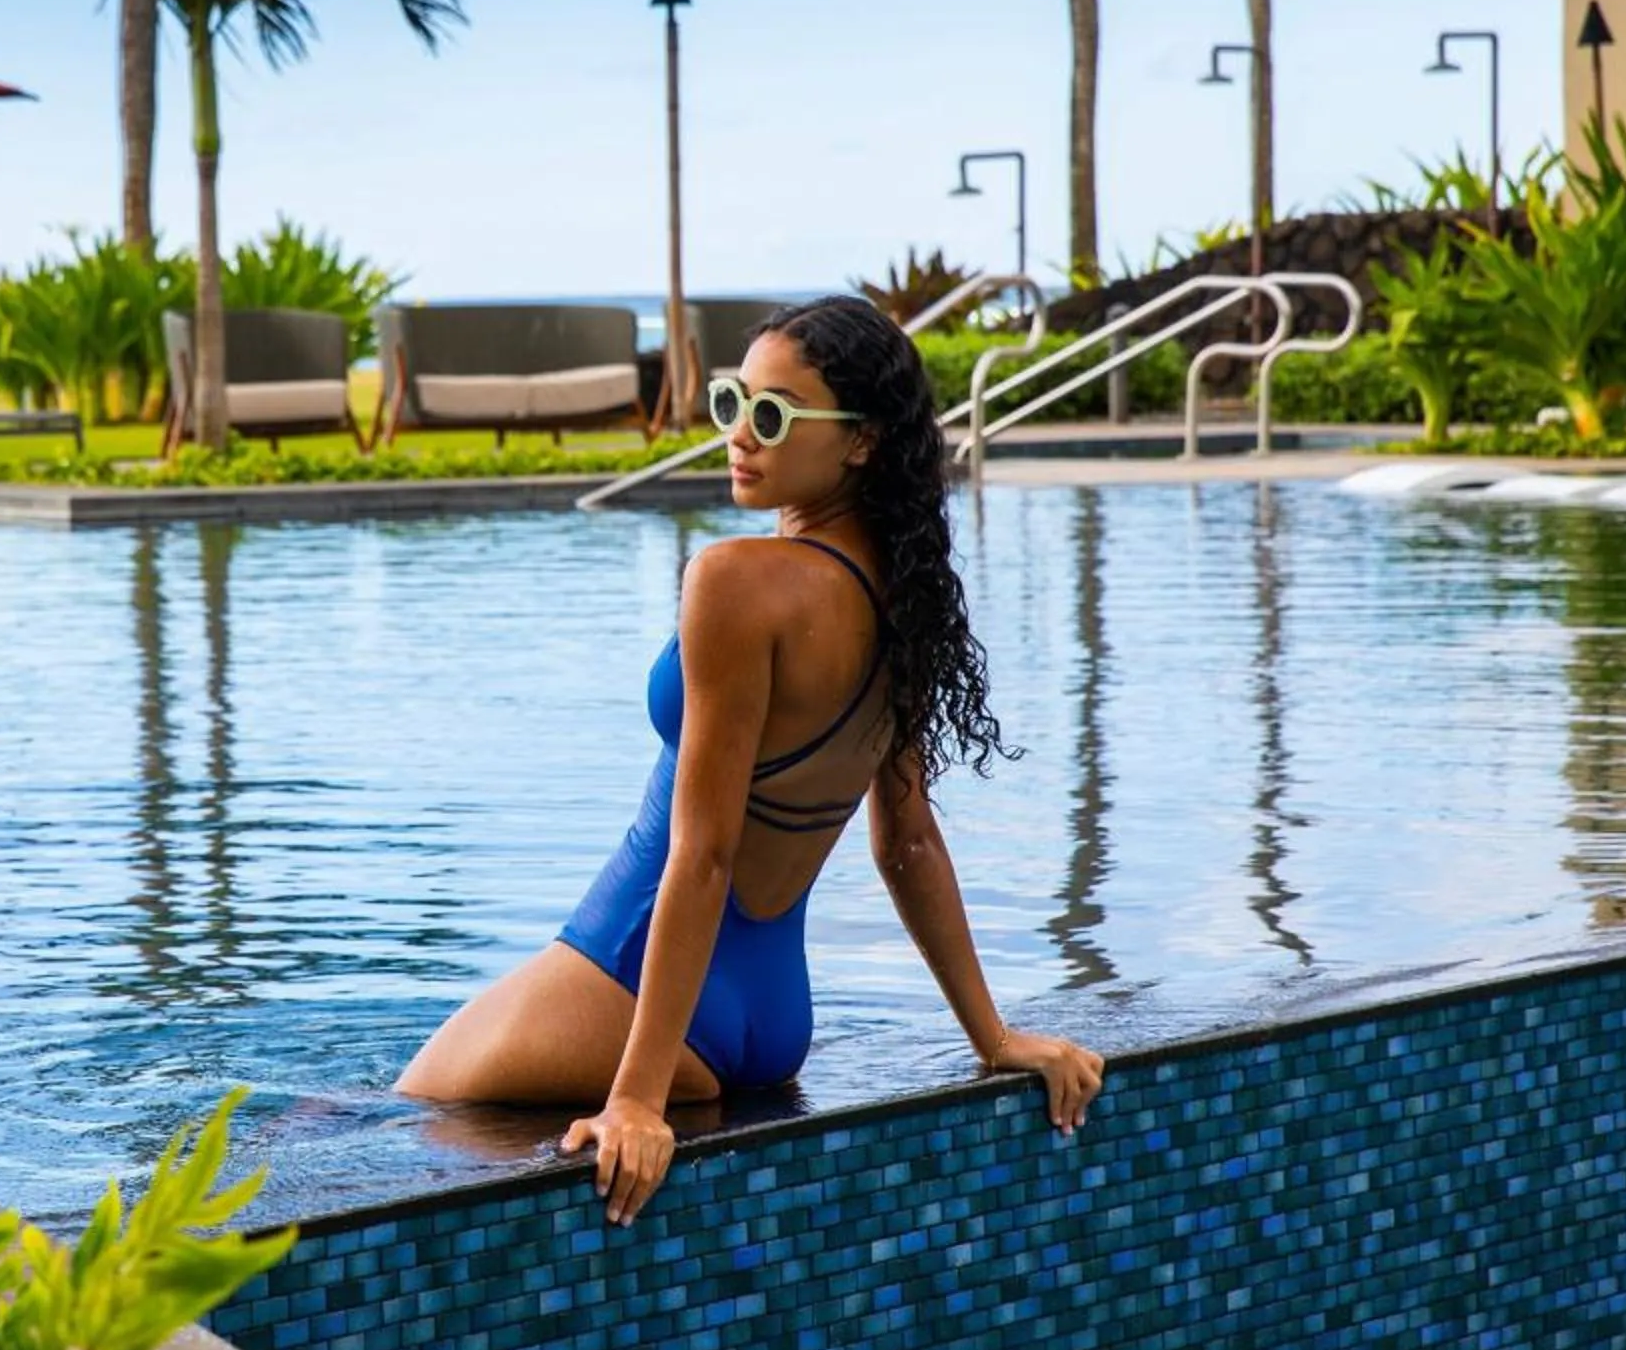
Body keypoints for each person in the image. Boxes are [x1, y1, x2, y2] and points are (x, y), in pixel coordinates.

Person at [396, 295, 1104, 1225]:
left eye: (772, 417)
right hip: (772, 1019)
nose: (739, 434)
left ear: (860, 443)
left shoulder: (735, 582)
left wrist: (636, 1099)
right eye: (734, 402)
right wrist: (994, 1035)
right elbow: (909, 844)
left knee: (378, 1126)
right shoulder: (905, 598)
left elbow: (705, 853)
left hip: (628, 984)